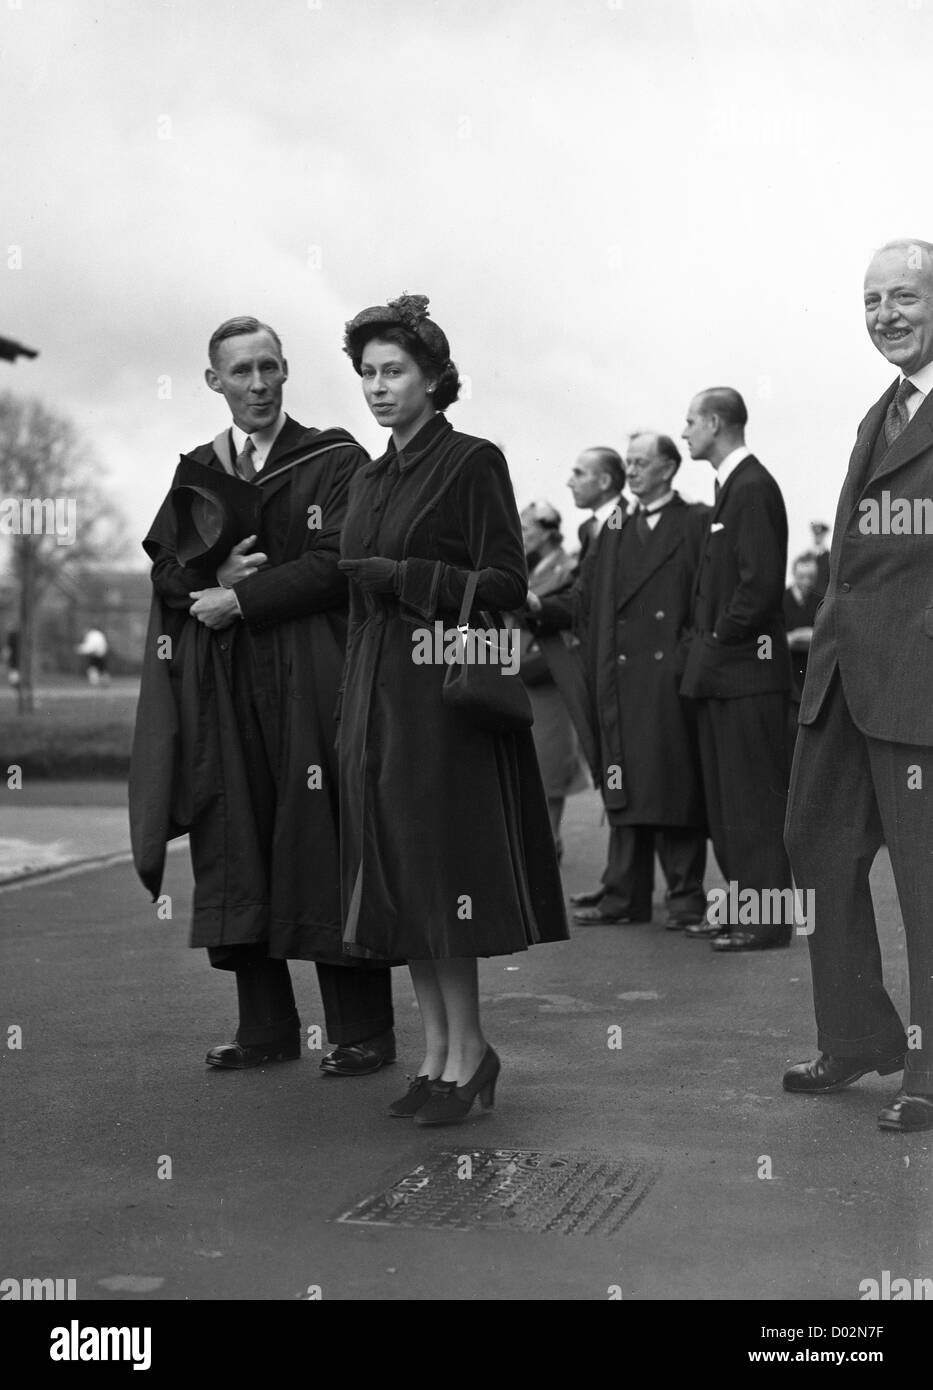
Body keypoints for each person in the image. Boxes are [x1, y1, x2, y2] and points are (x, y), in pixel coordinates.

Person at [130, 315, 394, 1078]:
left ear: (286, 373)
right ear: (214, 381)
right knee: (237, 837)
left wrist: (242, 601)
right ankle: (266, 1026)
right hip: (225, 684)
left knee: (323, 837)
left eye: (268, 368)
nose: (256, 384)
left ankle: (361, 1031)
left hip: (310, 675)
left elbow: (336, 561)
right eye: (239, 371)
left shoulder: (335, 458)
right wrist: (210, 584)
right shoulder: (198, 470)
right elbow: (165, 573)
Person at [337, 293, 568, 1126]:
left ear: (433, 377)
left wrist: (407, 580)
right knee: (402, 878)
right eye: (366, 373)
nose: (376, 386)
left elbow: (507, 583)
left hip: (441, 700)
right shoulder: (368, 474)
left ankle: (469, 1054)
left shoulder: (471, 460)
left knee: (443, 881)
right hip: (376, 700)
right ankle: (436, 1055)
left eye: (392, 370)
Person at [784, 238, 933, 1133]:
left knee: (926, 883)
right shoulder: (875, 413)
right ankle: (856, 1036)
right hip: (841, 680)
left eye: (903, 296)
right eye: (871, 301)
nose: (885, 315)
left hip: (918, 682)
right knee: (812, 846)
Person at [532, 432, 709, 929]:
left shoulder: (694, 522)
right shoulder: (613, 526)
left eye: (641, 463)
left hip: (669, 677)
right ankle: (624, 895)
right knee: (626, 780)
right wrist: (539, 607)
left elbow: (706, 596)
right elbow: (584, 601)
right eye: (628, 463)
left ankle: (685, 897)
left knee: (675, 783)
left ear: (669, 468)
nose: (631, 471)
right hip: (623, 679)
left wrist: (684, 659)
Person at [680, 388, 793, 952]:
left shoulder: (750, 488)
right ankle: (746, 910)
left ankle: (766, 921)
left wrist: (720, 639)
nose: (685, 433)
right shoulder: (736, 487)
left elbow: (760, 585)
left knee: (751, 805)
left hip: (745, 676)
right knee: (729, 805)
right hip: (727, 676)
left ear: (717, 423)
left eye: (691, 422)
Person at [513, 499, 589, 860]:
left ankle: (551, 840)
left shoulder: (567, 568)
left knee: (550, 759)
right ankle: (538, 840)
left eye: (527, 528)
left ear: (546, 531)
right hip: (518, 666)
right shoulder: (527, 568)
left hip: (547, 670)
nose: (522, 534)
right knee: (531, 757)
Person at [567, 447, 627, 572]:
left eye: (579, 474)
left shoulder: (629, 521)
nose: (570, 483)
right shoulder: (586, 528)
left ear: (604, 481)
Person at [782, 554, 820, 701]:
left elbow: (823, 636)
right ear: (794, 574)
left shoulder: (820, 601)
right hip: (788, 671)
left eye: (810, 577)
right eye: (802, 576)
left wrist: (795, 635)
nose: (806, 581)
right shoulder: (781, 600)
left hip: (812, 672)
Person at [802, 520, 831, 596]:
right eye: (816, 535)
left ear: (824, 535)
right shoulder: (806, 556)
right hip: (808, 597)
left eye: (820, 535)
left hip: (823, 597)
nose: (818, 537)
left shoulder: (829, 557)